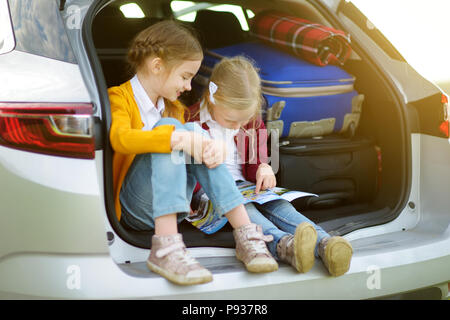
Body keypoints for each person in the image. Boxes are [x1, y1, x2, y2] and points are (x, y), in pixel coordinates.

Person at [108, 21, 278, 286]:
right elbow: (121, 140)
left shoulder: (175, 108)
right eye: (185, 76)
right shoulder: (119, 97)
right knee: (178, 131)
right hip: (135, 207)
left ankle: (246, 235)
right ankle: (166, 249)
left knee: (189, 132)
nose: (189, 86)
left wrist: (207, 146)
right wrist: (179, 138)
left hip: (175, 208)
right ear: (157, 66)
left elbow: (185, 139)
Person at [187, 56, 353, 276]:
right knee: (246, 209)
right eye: (230, 121)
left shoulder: (251, 120)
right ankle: (285, 246)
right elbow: (186, 173)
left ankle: (325, 243)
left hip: (244, 186)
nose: (237, 127)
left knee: (279, 204)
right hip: (208, 193)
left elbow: (259, 155)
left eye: (242, 122)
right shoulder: (189, 120)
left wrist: (263, 168)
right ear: (212, 97)